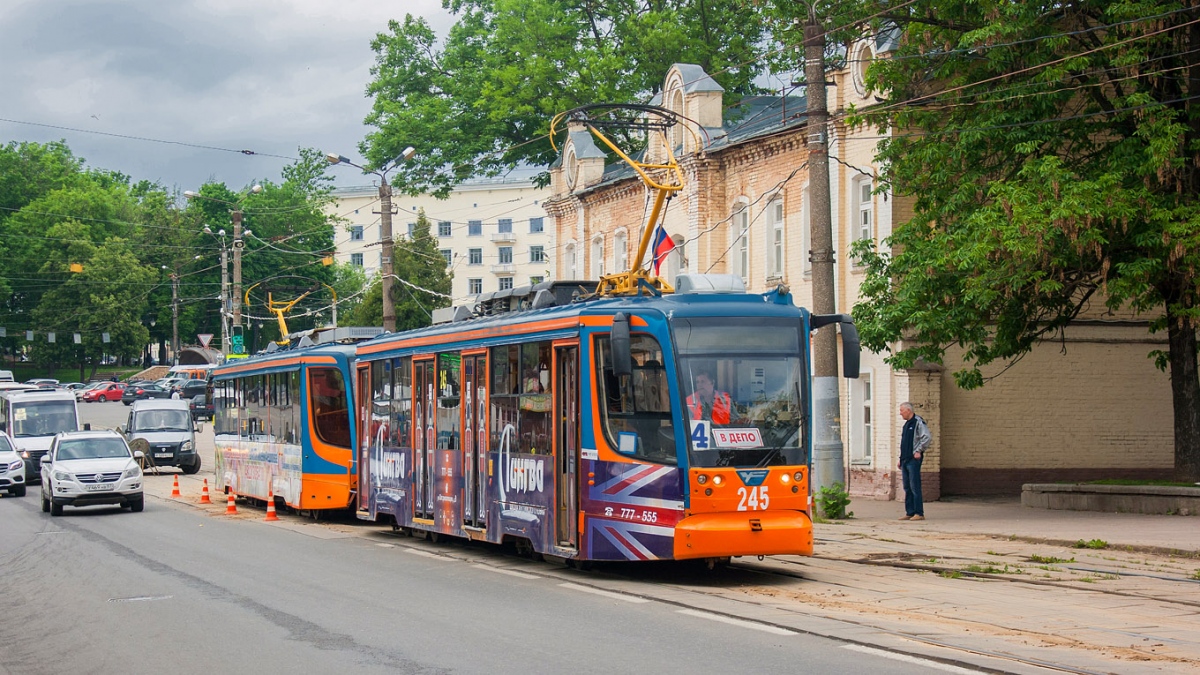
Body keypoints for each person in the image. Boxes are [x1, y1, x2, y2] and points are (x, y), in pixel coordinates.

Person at [897, 402, 931, 521]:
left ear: (908, 410)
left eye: (901, 410)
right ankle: (909, 512)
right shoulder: (906, 425)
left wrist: (919, 450)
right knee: (907, 487)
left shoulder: (918, 422)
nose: (900, 413)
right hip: (905, 459)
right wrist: (900, 459)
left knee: (914, 486)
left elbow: (926, 437)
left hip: (913, 459)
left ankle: (919, 513)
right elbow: (904, 443)